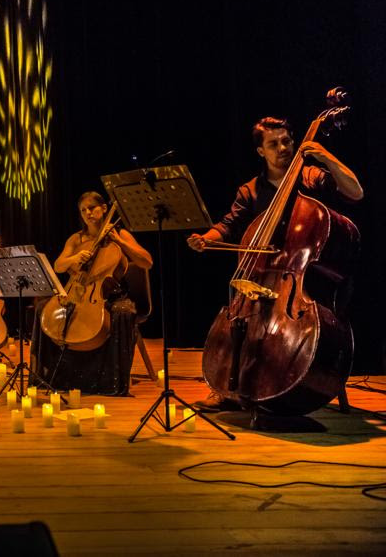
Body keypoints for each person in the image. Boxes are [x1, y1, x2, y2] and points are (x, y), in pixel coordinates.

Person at [188, 116, 363, 411]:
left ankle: (294, 381)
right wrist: (206, 238)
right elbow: (229, 225)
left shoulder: (310, 177)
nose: (283, 147)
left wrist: (324, 156)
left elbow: (356, 192)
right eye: (273, 144)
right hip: (258, 279)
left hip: (300, 282)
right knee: (241, 316)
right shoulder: (250, 190)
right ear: (261, 151)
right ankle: (229, 387)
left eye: (286, 141)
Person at [34, 191, 153, 396]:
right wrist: (75, 258)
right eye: (83, 210)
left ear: (104, 208)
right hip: (77, 291)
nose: (87, 213)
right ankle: (50, 374)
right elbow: (59, 266)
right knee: (41, 309)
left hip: (110, 294)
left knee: (123, 313)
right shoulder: (76, 239)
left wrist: (120, 242)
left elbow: (146, 262)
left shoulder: (120, 234)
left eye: (92, 207)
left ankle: (110, 380)